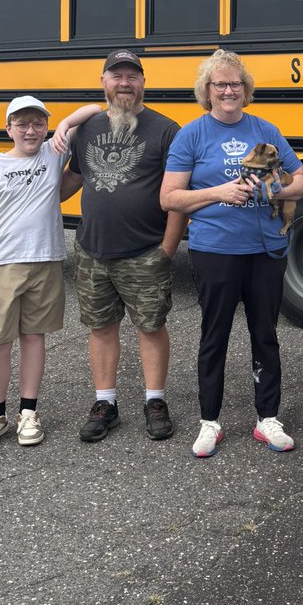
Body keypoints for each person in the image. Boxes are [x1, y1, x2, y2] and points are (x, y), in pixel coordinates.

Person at [160, 50, 303, 458]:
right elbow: (170, 198)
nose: (228, 90)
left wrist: (275, 189)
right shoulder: (191, 135)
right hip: (215, 250)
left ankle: (267, 419)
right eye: (220, 84)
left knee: (265, 335)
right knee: (215, 336)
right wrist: (219, 192)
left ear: (246, 90)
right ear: (206, 91)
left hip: (265, 250)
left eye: (236, 84)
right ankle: (210, 421)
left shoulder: (264, 129)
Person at [63, 51, 188, 444]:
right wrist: (32, 193)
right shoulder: (87, 130)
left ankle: (155, 401)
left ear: (143, 84)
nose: (125, 83)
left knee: (151, 327)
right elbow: (73, 181)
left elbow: (178, 196)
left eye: (132, 77)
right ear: (103, 82)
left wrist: (167, 249)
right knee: (101, 328)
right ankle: (106, 404)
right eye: (117, 76)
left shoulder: (166, 130)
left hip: (145, 251)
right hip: (92, 250)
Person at [0, 95, 101, 450]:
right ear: (8, 128)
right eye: (22, 123)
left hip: (46, 261)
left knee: (34, 338)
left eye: (38, 123)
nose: (30, 130)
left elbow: (95, 109)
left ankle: (29, 411)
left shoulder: (52, 152)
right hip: (3, 266)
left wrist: (67, 125)